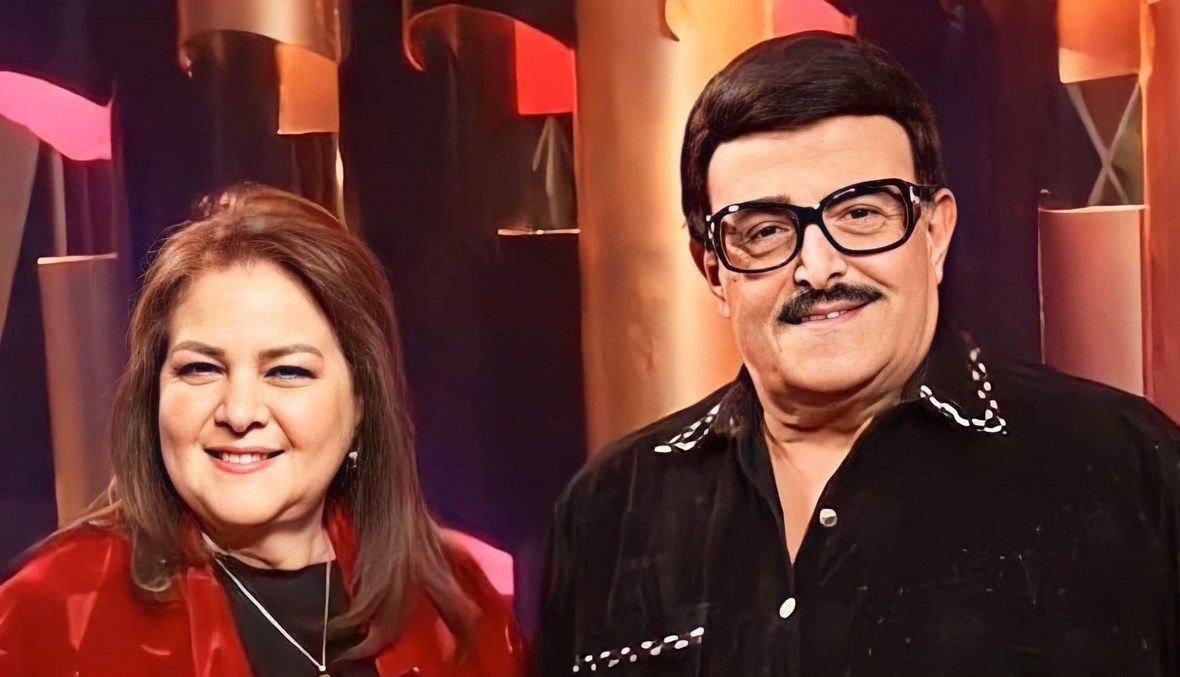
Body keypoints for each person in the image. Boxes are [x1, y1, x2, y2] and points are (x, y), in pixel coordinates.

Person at [533, 33, 1180, 676]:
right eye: (766, 231)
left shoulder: (1129, 468)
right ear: (714, 272)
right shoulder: (609, 508)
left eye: (861, 214)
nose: (818, 268)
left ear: (934, 234)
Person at [0, 184, 525, 676]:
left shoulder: (458, 607)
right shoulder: (49, 617)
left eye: (287, 371)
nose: (239, 411)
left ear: (361, 402)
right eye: (200, 368)